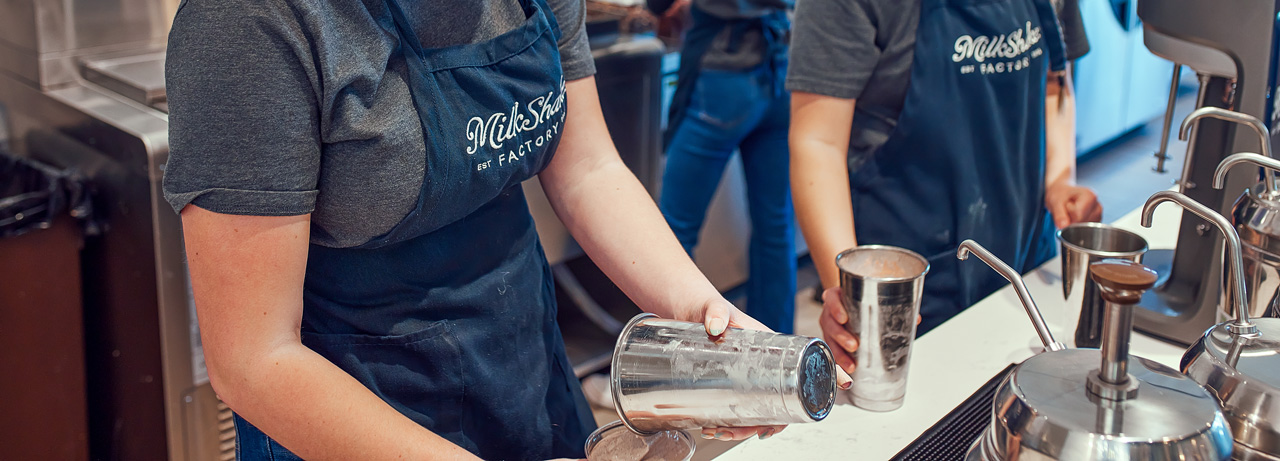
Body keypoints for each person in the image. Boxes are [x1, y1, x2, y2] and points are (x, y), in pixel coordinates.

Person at [162, 0, 847, 459]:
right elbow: (254, 360)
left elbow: (588, 171)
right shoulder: (248, 23)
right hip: (356, 411)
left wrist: (704, 312)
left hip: (524, 365)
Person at [787, 0, 1100, 373]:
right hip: (909, 289)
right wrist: (853, 293)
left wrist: (1060, 179)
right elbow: (818, 143)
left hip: (1026, 266)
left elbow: (1054, 82)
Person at [646, 0, 796, 333]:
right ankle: (777, 360)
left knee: (673, 231)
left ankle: (667, 360)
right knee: (775, 226)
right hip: (778, 68)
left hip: (721, 80)